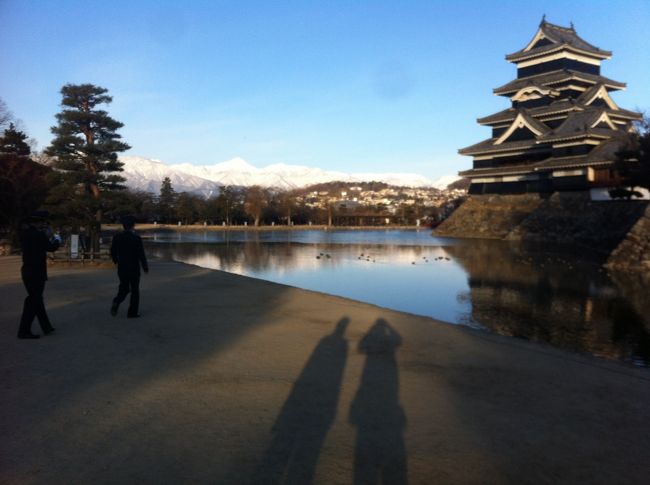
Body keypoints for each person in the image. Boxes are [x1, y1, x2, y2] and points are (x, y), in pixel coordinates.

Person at [17, 211, 61, 339]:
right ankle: (24, 330)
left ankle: (46, 326)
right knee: (34, 300)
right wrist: (57, 239)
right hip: (37, 271)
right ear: (40, 222)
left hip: (27, 270)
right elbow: (51, 247)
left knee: (36, 299)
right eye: (44, 222)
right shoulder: (38, 235)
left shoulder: (24, 233)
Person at [110, 215, 148, 318]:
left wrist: (116, 261)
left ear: (123, 226)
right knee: (135, 290)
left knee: (124, 288)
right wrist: (145, 266)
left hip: (122, 267)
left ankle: (117, 301)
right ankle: (132, 312)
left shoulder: (117, 237)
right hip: (134, 267)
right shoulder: (136, 238)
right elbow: (141, 254)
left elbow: (113, 251)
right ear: (132, 226)